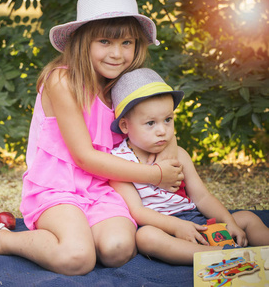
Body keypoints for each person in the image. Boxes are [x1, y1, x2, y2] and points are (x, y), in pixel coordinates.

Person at [0, 0, 184, 275]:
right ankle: (3, 239)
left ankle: (79, 233)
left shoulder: (124, 89)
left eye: (127, 42)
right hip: (57, 186)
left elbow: (159, 135)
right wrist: (156, 175)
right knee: (77, 258)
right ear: (83, 41)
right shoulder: (63, 80)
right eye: (105, 41)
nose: (117, 53)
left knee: (118, 248)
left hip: (105, 188)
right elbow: (84, 157)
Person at [109, 68, 269, 265]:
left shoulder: (179, 154)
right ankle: (212, 256)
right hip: (163, 228)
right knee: (146, 238)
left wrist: (229, 222)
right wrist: (177, 227)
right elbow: (138, 211)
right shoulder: (118, 162)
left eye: (168, 120)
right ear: (125, 126)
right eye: (150, 123)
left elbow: (202, 197)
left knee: (247, 217)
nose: (162, 131)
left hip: (196, 220)